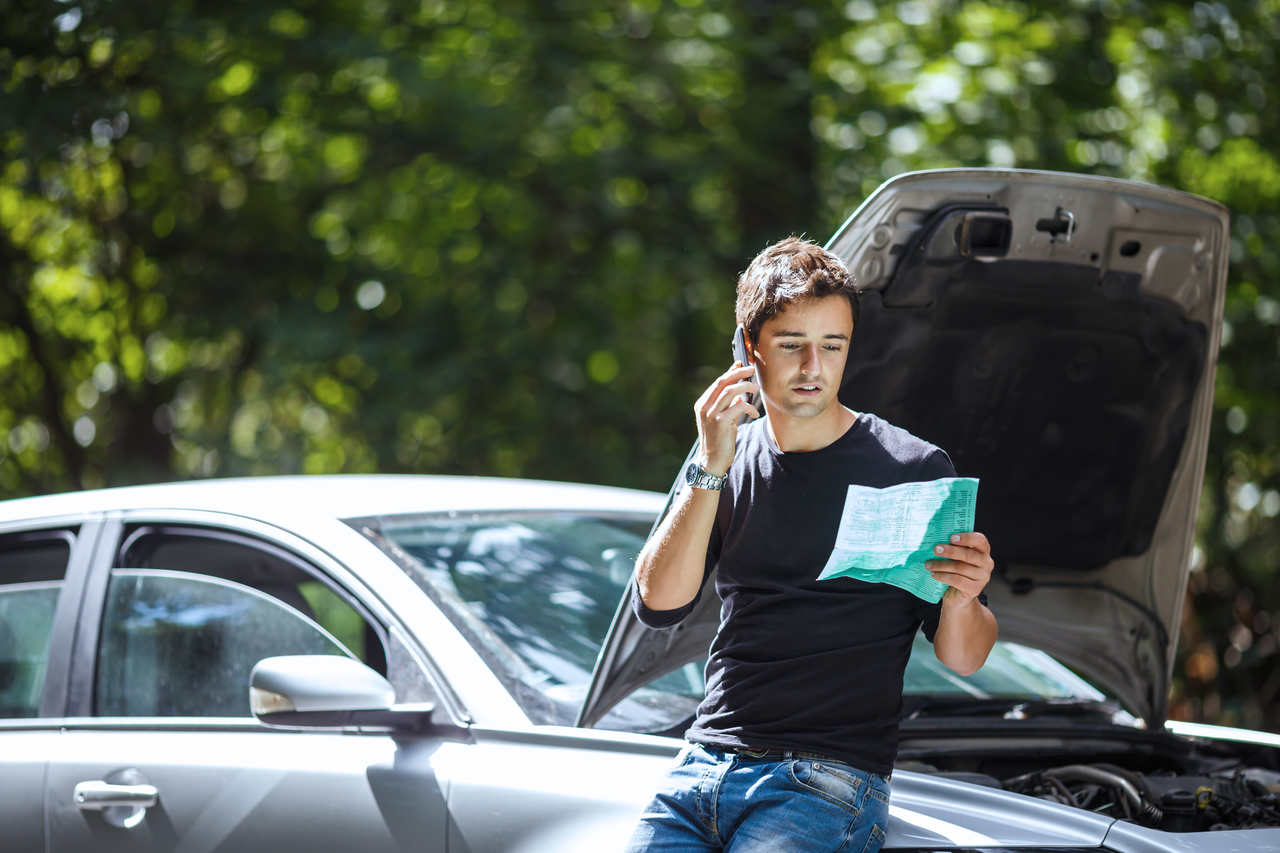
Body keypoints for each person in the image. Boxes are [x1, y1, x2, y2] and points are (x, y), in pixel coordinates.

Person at [624, 237, 997, 853]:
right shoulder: (722, 458)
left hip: (826, 779)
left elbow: (964, 657)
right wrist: (710, 462)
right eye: (792, 345)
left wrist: (963, 598)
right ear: (750, 349)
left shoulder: (911, 466)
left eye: (832, 346)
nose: (812, 368)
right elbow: (658, 603)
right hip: (702, 765)